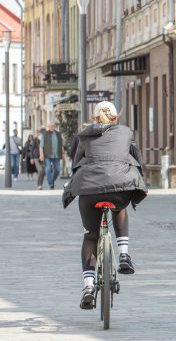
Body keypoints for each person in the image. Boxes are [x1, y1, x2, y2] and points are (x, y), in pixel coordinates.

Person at [62, 101, 147, 310]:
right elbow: (137, 158)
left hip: (89, 189)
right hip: (120, 187)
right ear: (116, 118)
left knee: (91, 236)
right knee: (120, 206)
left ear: (94, 118)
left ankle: (88, 287)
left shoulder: (84, 135)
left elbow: (75, 163)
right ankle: (124, 254)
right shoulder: (126, 132)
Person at [40, 121, 64, 190]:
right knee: (48, 169)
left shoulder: (58, 134)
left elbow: (61, 144)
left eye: (53, 126)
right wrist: (41, 155)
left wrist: (62, 153)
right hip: (47, 154)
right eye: (50, 126)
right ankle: (50, 183)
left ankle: (52, 180)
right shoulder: (45, 134)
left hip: (56, 155)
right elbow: (41, 146)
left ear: (55, 126)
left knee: (57, 169)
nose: (52, 127)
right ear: (48, 127)